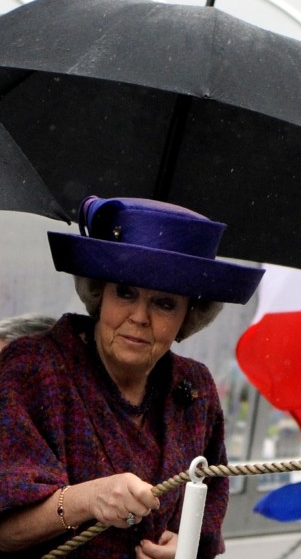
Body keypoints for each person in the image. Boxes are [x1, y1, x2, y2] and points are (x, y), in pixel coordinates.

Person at [0, 196, 265, 558]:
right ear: (99, 292)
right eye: (124, 292)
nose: (139, 316)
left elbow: (204, 532)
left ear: (190, 314)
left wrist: (182, 549)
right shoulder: (31, 369)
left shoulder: (196, 389)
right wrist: (84, 500)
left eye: (164, 303)